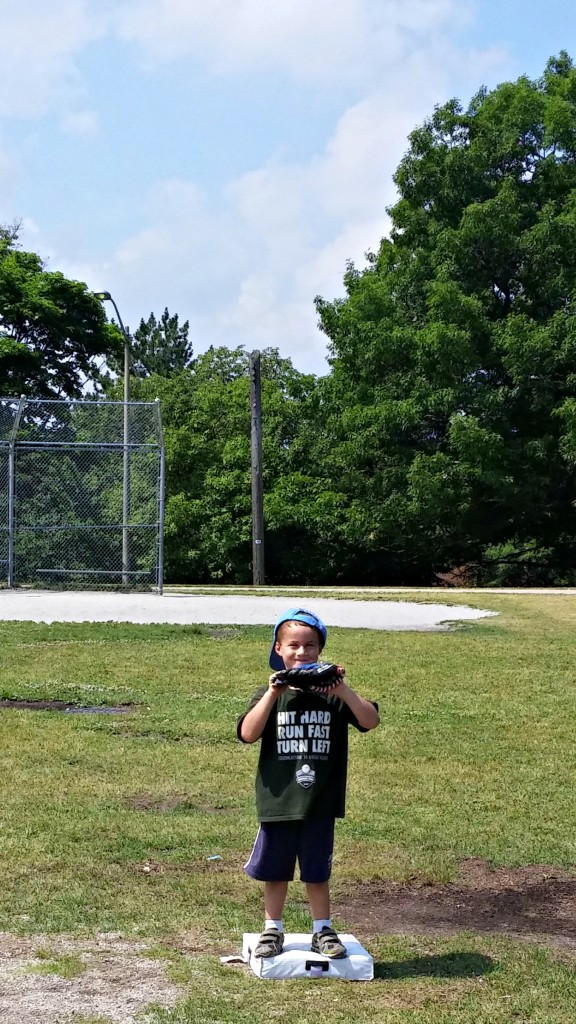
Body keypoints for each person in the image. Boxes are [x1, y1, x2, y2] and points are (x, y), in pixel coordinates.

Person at [237, 607, 379, 959]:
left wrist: (342, 689)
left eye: (311, 646)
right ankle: (273, 929)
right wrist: (272, 692)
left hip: (320, 799)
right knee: (276, 869)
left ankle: (322, 929)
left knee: (316, 870)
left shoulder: (332, 695)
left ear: (321, 649)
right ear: (278, 649)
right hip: (279, 800)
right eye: (294, 646)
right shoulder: (270, 693)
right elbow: (248, 733)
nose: (302, 653)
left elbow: (370, 720)